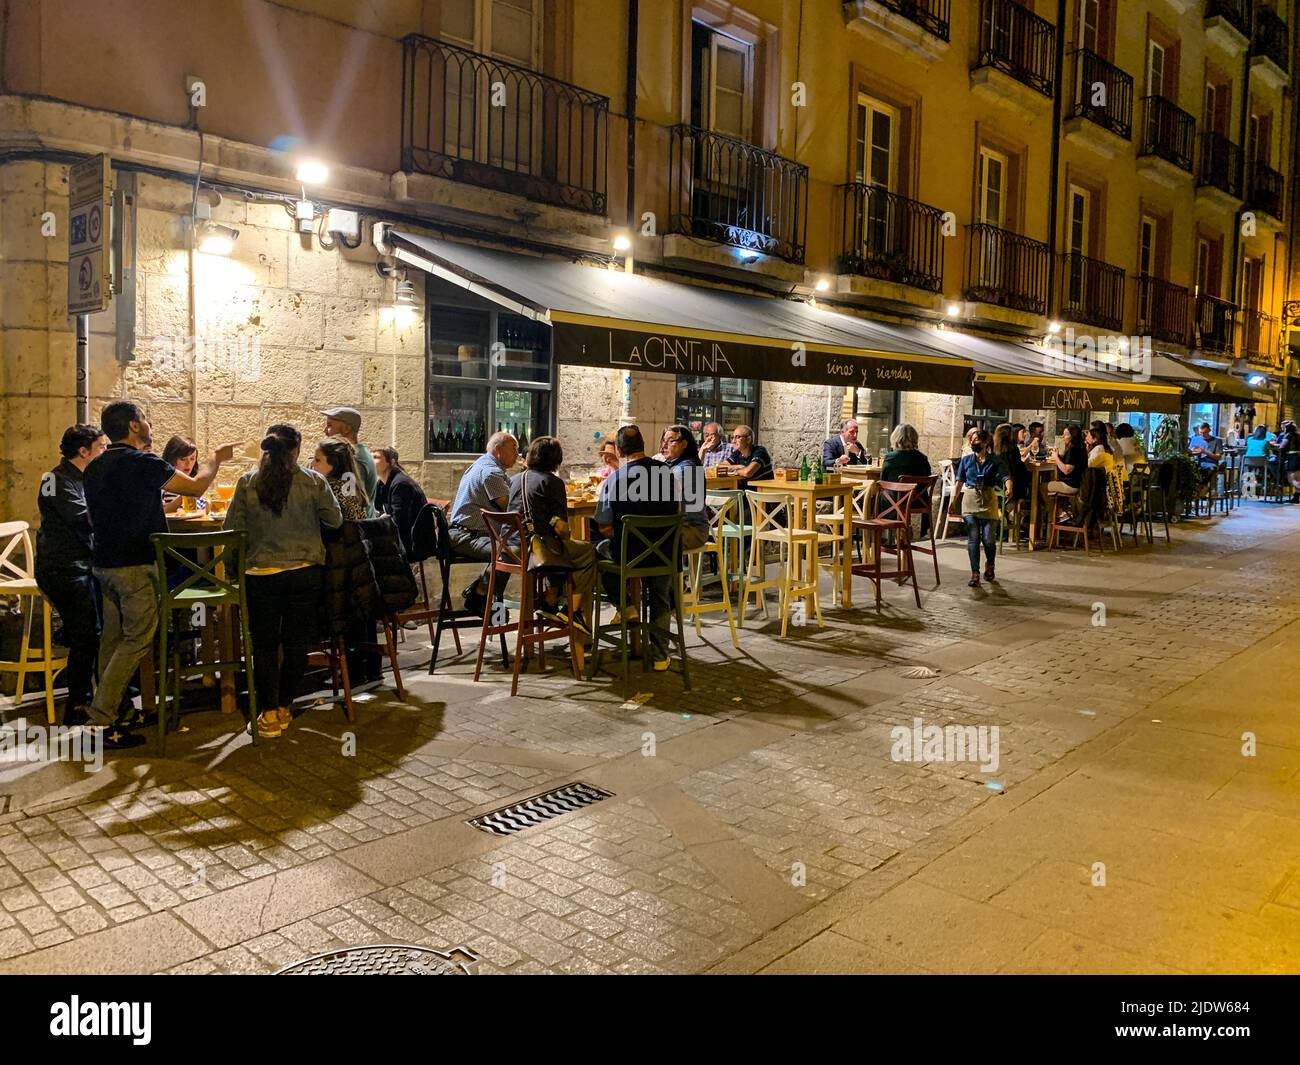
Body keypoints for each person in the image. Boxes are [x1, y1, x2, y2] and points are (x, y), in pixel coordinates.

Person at [83, 401, 234, 748]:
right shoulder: (144, 462)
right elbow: (195, 488)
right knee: (137, 638)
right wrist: (216, 460)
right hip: (135, 563)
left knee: (113, 639)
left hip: (103, 563)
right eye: (145, 419)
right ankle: (101, 720)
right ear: (134, 426)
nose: (149, 425)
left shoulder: (95, 466)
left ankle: (120, 711)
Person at [223, 424, 343, 739]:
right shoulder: (314, 481)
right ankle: (286, 705)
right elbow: (335, 519)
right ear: (296, 450)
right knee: (296, 644)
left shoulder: (247, 482)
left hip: (261, 575)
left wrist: (233, 571)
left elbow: (233, 531)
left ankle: (269, 712)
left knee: (263, 645)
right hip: (305, 572)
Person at [34, 424, 108, 725]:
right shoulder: (53, 479)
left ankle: (111, 693)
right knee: (87, 634)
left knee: (103, 625)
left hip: (84, 565)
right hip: (63, 568)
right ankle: (77, 705)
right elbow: (84, 519)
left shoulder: (86, 478)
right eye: (102, 447)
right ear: (84, 451)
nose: (105, 452)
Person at [592, 426, 680, 670]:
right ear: (644, 444)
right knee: (660, 596)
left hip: (629, 558)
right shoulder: (666, 471)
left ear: (619, 450)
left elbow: (603, 524)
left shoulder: (615, 480)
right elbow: (677, 511)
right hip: (664, 556)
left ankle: (626, 605)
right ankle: (661, 655)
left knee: (595, 550)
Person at [508, 436, 597, 635]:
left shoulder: (514, 480)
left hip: (510, 548)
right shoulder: (552, 482)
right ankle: (571, 611)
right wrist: (564, 531)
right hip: (535, 552)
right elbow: (562, 530)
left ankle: (550, 600)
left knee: (560, 548)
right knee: (586, 551)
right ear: (556, 460)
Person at [448, 430, 519, 615]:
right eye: (514, 448)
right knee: (511, 553)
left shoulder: (483, 464)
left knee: (509, 549)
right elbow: (510, 508)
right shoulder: (491, 473)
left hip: (471, 533)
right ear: (498, 450)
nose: (518, 454)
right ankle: (481, 597)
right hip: (467, 535)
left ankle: (487, 603)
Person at [955, 429, 1012, 588]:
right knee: (973, 538)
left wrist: (1009, 487)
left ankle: (990, 565)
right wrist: (954, 501)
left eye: (976, 441)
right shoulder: (966, 460)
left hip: (988, 499)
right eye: (971, 440)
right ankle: (975, 573)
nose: (973, 443)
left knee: (988, 539)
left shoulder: (995, 460)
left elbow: (1006, 475)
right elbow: (959, 482)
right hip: (970, 500)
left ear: (986, 443)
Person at [661, 424, 709, 551]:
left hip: (692, 530)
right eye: (663, 441)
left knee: (645, 539)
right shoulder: (671, 464)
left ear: (684, 444)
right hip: (675, 526)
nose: (664, 446)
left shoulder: (686, 468)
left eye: (671, 441)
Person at [323, 407, 377, 517]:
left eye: (329, 426)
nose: (324, 431)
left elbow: (350, 504)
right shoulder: (361, 451)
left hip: (357, 528)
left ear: (347, 429)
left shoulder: (354, 458)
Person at [373, 446, 426, 559]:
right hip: (398, 536)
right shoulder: (382, 483)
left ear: (390, 462)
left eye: (376, 457)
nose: (371, 460)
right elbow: (377, 508)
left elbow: (400, 522)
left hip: (411, 542)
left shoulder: (401, 484)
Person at [311, 439, 368, 521]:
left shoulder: (330, 488)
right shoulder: (350, 483)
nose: (312, 464)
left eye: (317, 460)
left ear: (334, 464)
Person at [1046, 424, 1087, 498]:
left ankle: (1051, 509)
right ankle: (1061, 508)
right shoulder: (1080, 447)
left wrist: (1056, 457)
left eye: (1065, 435)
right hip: (1078, 483)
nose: (1063, 437)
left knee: (1043, 487)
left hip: (1071, 485)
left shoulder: (1074, 449)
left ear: (1072, 436)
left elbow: (1067, 470)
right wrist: (1059, 457)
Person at [161, 435, 199, 513]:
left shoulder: (194, 484)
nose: (188, 463)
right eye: (183, 459)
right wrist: (183, 497)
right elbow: (160, 513)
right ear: (172, 458)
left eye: (192, 458)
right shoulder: (162, 485)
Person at [993, 423, 1030, 502]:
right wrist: (1024, 463)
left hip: (995, 484)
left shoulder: (992, 449)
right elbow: (1017, 469)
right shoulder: (1012, 449)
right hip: (1012, 485)